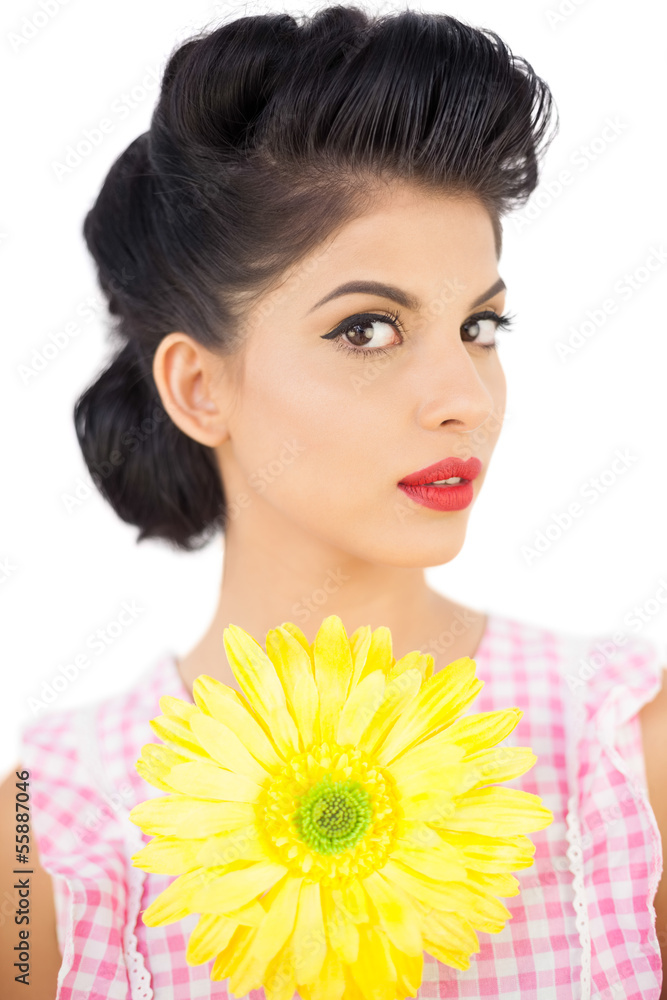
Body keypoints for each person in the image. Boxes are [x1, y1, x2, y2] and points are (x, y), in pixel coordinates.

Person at [2, 5, 665, 998]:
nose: (464, 397)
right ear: (197, 387)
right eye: (366, 329)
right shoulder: (41, 840)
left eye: (480, 325)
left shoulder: (626, 758)